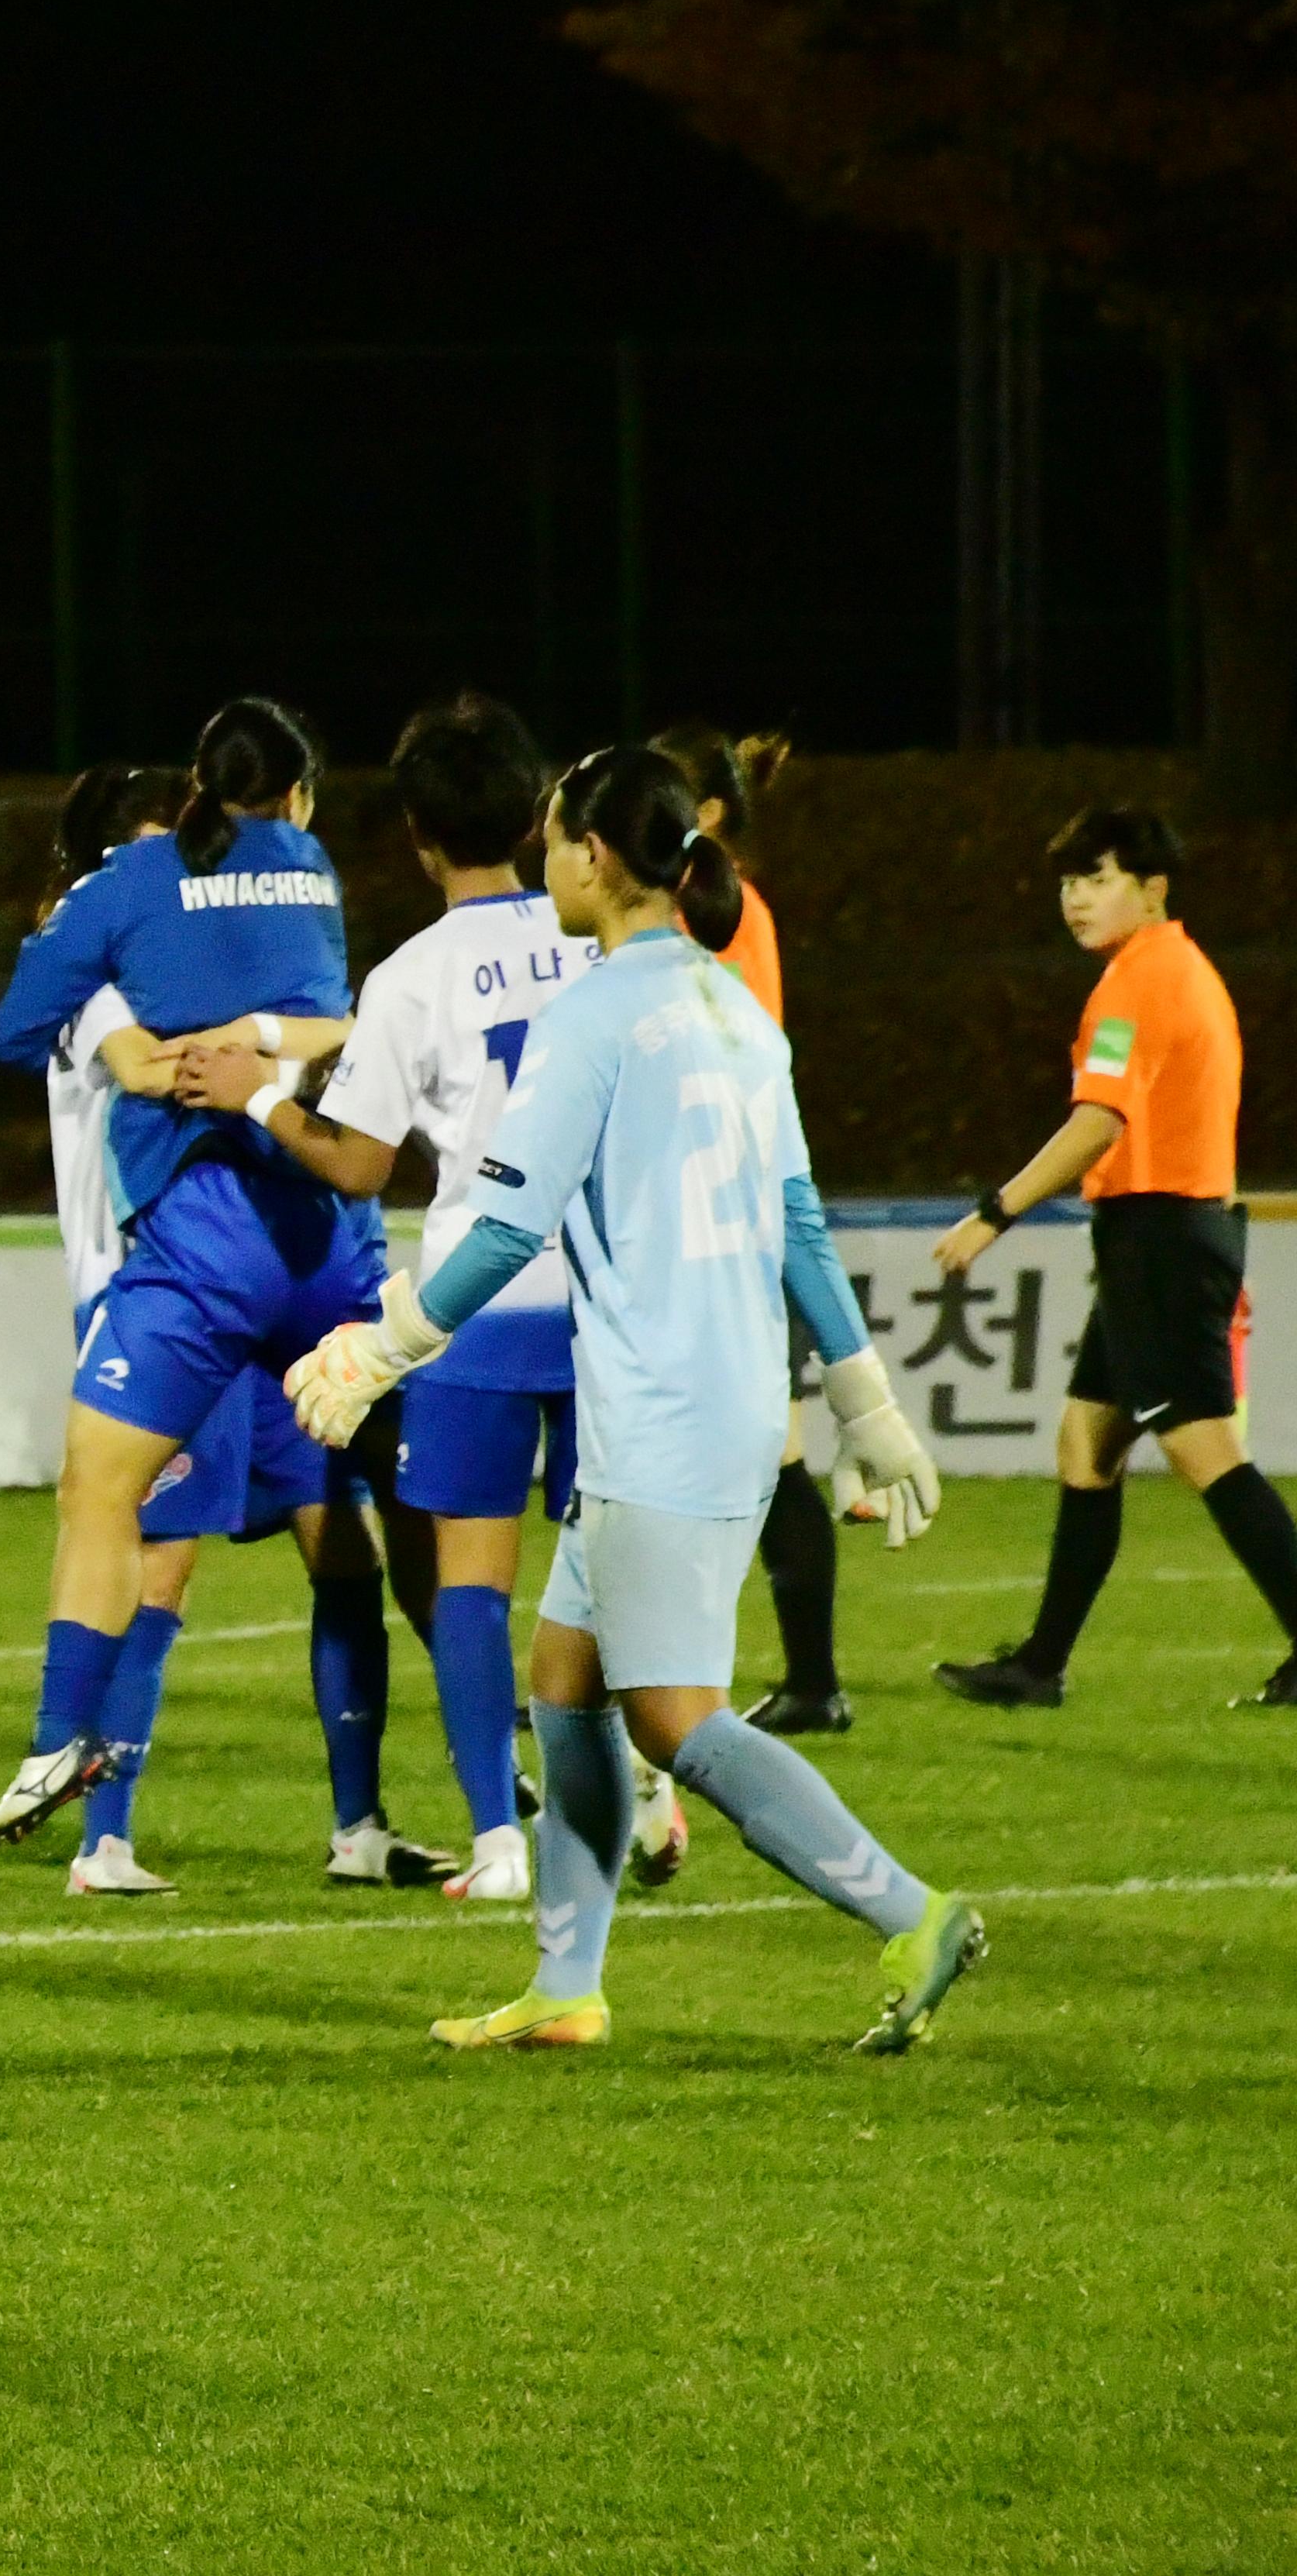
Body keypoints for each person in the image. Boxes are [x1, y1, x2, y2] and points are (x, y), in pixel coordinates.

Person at [284, 745, 975, 2056]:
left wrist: (389, 1344)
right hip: (711, 1386)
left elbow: (502, 1224)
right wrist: (861, 1398)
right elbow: (797, 1224)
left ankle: (911, 1909)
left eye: (554, 840)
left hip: (659, 1404)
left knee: (672, 1714)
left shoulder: (593, 1019)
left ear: (593, 857)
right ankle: (566, 1984)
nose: (545, 860)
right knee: (566, 1676)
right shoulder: (732, 1010)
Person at [181, 692, 616, 1903]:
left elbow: (362, 1163)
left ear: (418, 838)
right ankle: (646, 1798)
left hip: (475, 1302)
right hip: (605, 1297)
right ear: (541, 819)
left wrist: (260, 1098)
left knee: (469, 1581)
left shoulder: (413, 976)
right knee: (609, 1570)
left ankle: (496, 1844)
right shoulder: (605, 944)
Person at [0, 699, 374, 1846]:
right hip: (322, 1224)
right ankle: (468, 1801)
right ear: (296, 792)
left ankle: (83, 1794)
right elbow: (335, 1022)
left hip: (186, 1247)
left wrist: (148, 1032)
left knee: (123, 1514)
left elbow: (14, 1026)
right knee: (358, 1515)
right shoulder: (312, 869)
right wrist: (243, 1035)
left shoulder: (123, 905)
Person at [932, 804, 1297, 1710]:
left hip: (1164, 1238)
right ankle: (1039, 1666)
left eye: (1097, 879)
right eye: (1068, 882)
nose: (1077, 899)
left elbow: (1099, 1120)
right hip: (1159, 1234)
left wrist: (994, 1212)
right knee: (1086, 1444)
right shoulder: (1171, 969)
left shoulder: (1141, 981)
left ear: (1152, 887)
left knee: (1204, 1447)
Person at [658, 723, 847, 1734]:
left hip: (721, 1214)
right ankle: (808, 1682)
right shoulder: (726, 904)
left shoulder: (703, 907)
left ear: (711, 814)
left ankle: (801, 1682)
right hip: (739, 1205)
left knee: (747, 1457)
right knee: (760, 1456)